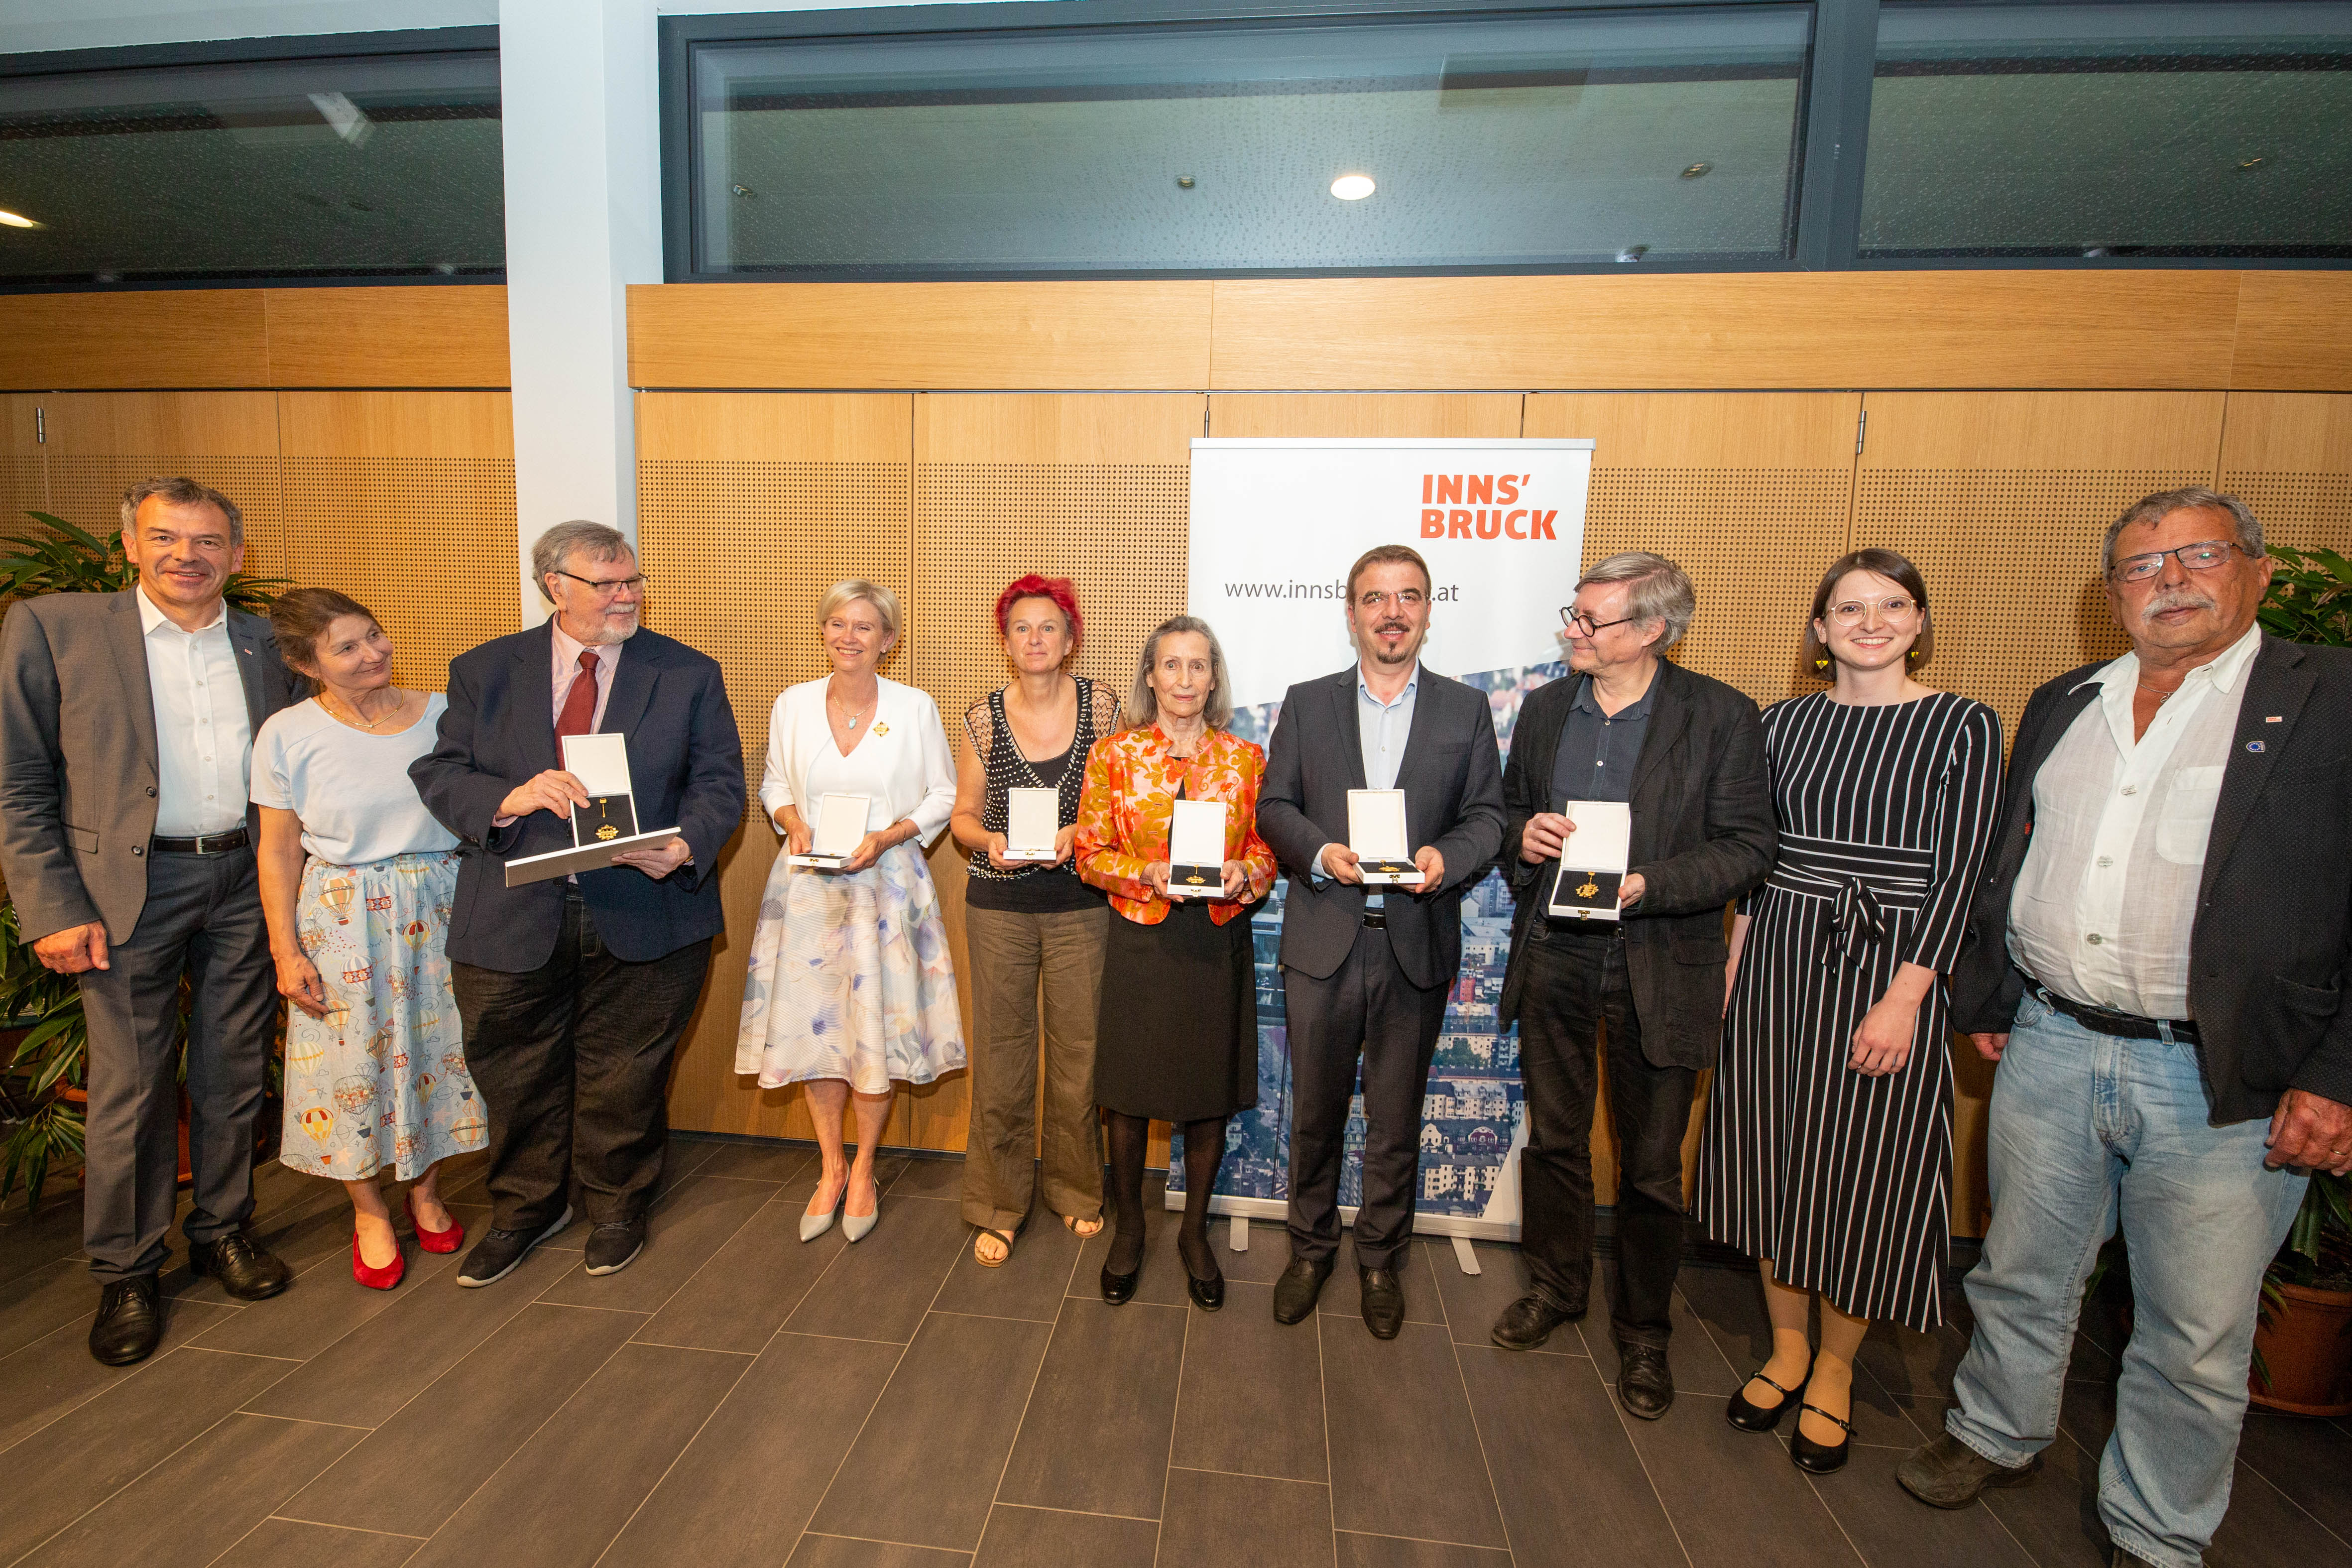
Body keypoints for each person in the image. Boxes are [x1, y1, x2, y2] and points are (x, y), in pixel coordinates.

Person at [1899, 489, 2352, 1568]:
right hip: (2053, 1038)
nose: (2169, 582)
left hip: (2222, 1073)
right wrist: (1996, 994)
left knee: (2194, 1332)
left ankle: (2156, 1529)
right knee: (2020, 1265)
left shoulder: (2329, 697)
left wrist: (2338, 1075)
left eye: (2197, 556)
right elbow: (2012, 855)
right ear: (2111, 597)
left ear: (2257, 571)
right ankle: (1995, 1431)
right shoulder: (2067, 699)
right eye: (2142, 568)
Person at [1695, 551, 2002, 1472]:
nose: (1872, 621)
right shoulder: (1780, 722)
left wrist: (1910, 996)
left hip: (1891, 963)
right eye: (1850, 607)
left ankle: (1835, 1366)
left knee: (1869, 1169)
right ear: (1819, 629)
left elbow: (1964, 875)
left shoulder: (1963, 726)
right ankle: (1785, 1349)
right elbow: (1756, 853)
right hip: (1781, 952)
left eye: (1893, 604)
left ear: (1919, 620)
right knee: (1770, 1153)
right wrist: (1734, 964)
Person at [0, 477, 302, 1365]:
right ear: (129, 544)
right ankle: (128, 1269)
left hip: (246, 881)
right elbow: (18, 784)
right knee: (131, 1087)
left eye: (208, 541)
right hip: (121, 890)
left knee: (233, 1067)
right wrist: (51, 905)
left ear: (236, 556)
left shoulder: (266, 641)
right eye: (166, 537)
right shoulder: (57, 627)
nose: (187, 555)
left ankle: (222, 1227)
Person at [412, 520, 743, 1287]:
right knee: (515, 1069)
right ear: (554, 585)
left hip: (646, 904)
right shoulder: (486, 669)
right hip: (513, 909)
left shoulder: (687, 673)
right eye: (608, 584)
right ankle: (526, 1210)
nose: (627, 596)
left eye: (633, 581)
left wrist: (687, 846)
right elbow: (440, 772)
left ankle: (618, 1205)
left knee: (625, 1071)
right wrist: (509, 797)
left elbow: (720, 783)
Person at [1487, 551, 1776, 1421]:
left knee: (1651, 1167)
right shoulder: (1544, 710)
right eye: (1573, 616)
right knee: (1556, 1142)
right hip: (1558, 956)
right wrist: (1523, 836)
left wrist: (1649, 883)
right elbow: (1505, 814)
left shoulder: (1720, 716)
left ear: (1652, 629)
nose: (1573, 632)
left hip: (1660, 962)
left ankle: (1646, 1330)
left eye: (1591, 620)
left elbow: (1748, 846)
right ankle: (1557, 1287)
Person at [1255, 544, 1506, 1339]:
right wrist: (1322, 852)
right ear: (1352, 611)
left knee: (1397, 1118)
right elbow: (1274, 806)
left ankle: (1381, 1260)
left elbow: (1489, 819)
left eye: (1409, 596)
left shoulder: (1465, 711)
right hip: (1326, 934)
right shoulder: (1306, 701)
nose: (1392, 611)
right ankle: (1309, 1248)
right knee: (1315, 1113)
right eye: (1375, 598)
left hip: (1414, 942)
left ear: (1429, 611)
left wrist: (1448, 858)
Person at [252, 589, 486, 1289]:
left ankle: (426, 1188)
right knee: (349, 1061)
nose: (372, 653)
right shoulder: (287, 734)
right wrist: (285, 948)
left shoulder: (445, 712)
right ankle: (368, 1208)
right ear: (306, 663)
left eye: (375, 635)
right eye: (347, 647)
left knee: (443, 1050)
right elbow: (277, 850)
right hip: (342, 910)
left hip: (441, 897)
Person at [737, 580, 963, 1244]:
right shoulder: (794, 704)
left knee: (873, 1031)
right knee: (819, 1032)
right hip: (808, 886)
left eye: (865, 627)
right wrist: (789, 820)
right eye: (837, 623)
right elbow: (776, 780)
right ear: (824, 632)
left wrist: (891, 834)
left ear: (888, 640)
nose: (849, 637)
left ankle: (865, 1166)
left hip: (883, 887)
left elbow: (943, 793)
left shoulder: (914, 706)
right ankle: (829, 1165)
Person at [1074, 615, 1276, 1310]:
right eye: (1171, 665)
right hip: (1143, 938)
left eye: (1198, 665)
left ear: (1213, 677)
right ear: (1151, 675)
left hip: (1215, 941)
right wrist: (1145, 873)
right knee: (1128, 1093)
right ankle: (1129, 1228)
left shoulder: (1247, 759)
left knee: (1206, 1092)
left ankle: (1194, 1232)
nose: (1184, 678)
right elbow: (1090, 853)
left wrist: (1242, 871)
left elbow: (1267, 852)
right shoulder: (1114, 756)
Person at [949, 575, 1119, 1267]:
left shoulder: (1104, 708)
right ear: (1006, 641)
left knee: (1081, 1060)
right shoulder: (982, 718)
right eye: (1022, 627)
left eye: (1048, 626)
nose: (1036, 639)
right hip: (1000, 905)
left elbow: (1124, 803)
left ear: (1070, 639)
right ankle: (998, 1203)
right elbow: (962, 815)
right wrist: (986, 841)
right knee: (1002, 1059)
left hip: (1083, 904)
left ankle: (1078, 1190)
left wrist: (1084, 826)